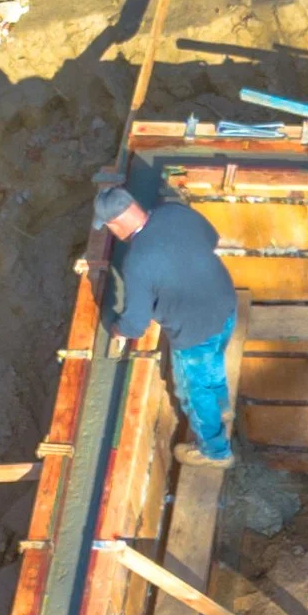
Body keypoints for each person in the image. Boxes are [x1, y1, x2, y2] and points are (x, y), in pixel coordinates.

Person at [97, 186, 241, 466]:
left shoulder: (137, 262)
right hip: (225, 306)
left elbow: (135, 324)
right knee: (214, 362)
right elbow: (211, 238)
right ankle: (223, 409)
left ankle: (215, 451)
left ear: (115, 224)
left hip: (193, 332)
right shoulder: (174, 213)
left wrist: (117, 329)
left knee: (193, 390)